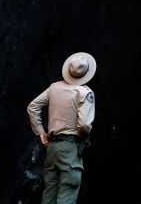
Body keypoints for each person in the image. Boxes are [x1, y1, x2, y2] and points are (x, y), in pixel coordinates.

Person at [27, 52, 97, 204]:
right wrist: (83, 137)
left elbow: (33, 107)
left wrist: (41, 132)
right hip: (70, 147)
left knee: (49, 194)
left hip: (52, 148)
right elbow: (84, 125)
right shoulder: (84, 93)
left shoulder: (54, 88)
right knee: (67, 194)